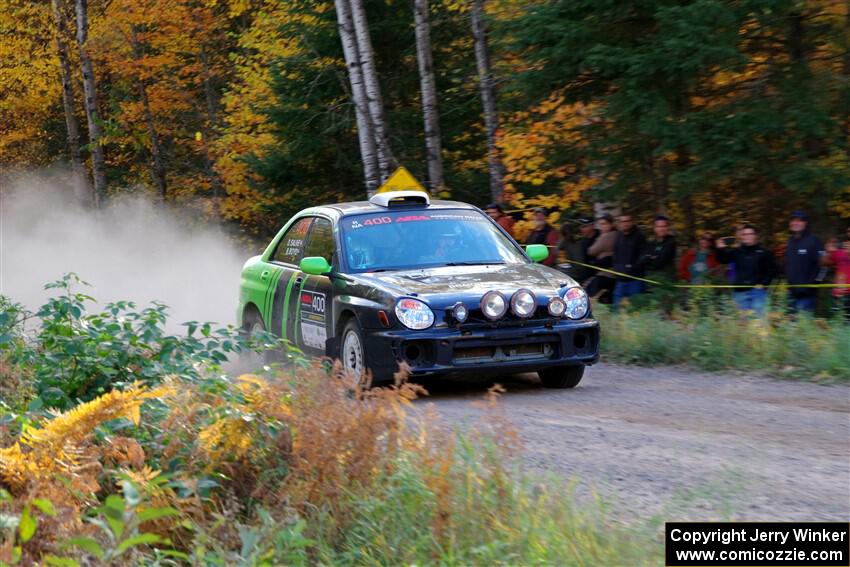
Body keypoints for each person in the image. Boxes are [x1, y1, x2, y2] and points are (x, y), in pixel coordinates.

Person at [715, 224, 775, 316]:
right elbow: (723, 260)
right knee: (742, 321)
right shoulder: (737, 251)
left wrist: (764, 284)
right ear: (741, 236)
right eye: (744, 234)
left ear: (755, 235)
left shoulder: (765, 252)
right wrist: (720, 249)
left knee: (759, 320)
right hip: (740, 291)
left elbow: (771, 270)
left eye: (750, 234)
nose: (747, 236)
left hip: (758, 292)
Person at [784, 211, 825, 314]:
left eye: (799, 220)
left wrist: (814, 284)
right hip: (791, 294)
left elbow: (824, 267)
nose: (795, 223)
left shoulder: (815, 241)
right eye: (793, 220)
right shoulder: (789, 242)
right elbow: (789, 265)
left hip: (807, 296)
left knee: (804, 328)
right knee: (790, 327)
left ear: (806, 223)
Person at [612, 213, 647, 307]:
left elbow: (643, 256)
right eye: (622, 221)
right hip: (620, 280)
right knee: (617, 308)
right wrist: (616, 268)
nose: (625, 224)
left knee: (636, 310)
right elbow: (615, 254)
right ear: (619, 223)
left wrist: (633, 268)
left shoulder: (639, 236)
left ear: (632, 222)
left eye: (627, 221)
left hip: (635, 280)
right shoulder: (618, 236)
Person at [585, 214, 617, 303]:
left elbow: (591, 251)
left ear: (611, 224)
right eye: (600, 224)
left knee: (592, 296)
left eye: (604, 224)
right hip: (611, 273)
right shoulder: (617, 234)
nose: (602, 227)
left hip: (605, 274)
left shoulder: (606, 236)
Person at [640, 215, 677, 280]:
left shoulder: (671, 242)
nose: (661, 229)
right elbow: (641, 260)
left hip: (665, 282)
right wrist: (651, 257)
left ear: (668, 228)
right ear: (655, 228)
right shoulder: (651, 243)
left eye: (664, 226)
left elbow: (659, 262)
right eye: (659, 226)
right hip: (650, 281)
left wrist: (648, 257)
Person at [823, 235, 850, 320]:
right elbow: (824, 262)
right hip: (838, 294)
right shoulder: (840, 253)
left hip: (846, 294)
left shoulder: (842, 252)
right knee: (837, 322)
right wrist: (829, 252)